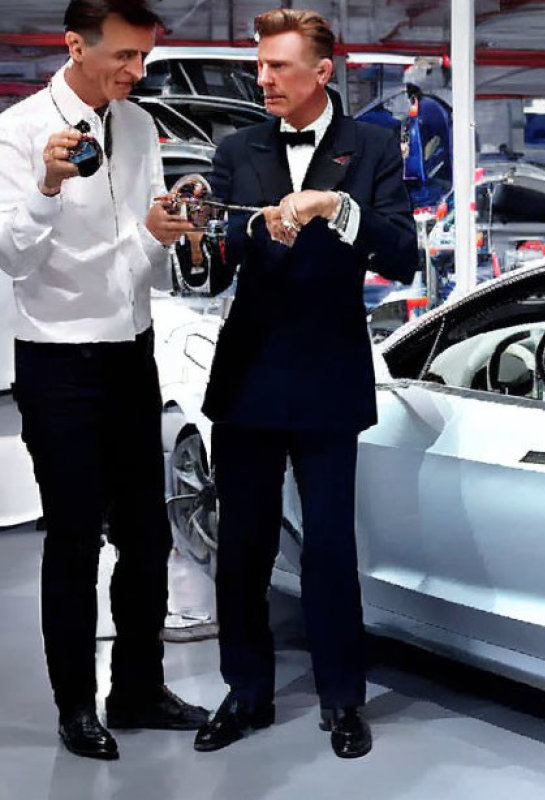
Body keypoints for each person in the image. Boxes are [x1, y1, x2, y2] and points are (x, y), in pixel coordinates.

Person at [192, 9, 417, 758]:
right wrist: (231, 232)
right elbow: (216, 255)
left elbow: (404, 257)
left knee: (328, 548)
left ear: (322, 72)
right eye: (259, 67)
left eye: (277, 67)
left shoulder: (375, 147)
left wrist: (337, 208)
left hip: (327, 373)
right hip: (249, 373)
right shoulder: (237, 148)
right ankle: (245, 692)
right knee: (244, 548)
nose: (262, 79)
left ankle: (342, 701)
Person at [0, 0, 210, 761]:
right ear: (73, 47)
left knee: (149, 538)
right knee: (75, 539)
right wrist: (49, 185)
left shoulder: (141, 126)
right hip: (59, 360)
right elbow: (15, 260)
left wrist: (160, 236)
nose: (137, 71)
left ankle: (138, 688)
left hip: (131, 350)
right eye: (123, 57)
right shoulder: (20, 132)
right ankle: (74, 707)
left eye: (143, 58)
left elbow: (139, 262)